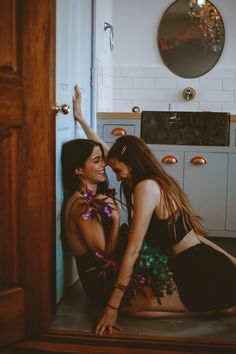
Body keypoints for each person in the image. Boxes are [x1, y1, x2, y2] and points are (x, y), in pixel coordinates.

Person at [72, 84, 236, 333]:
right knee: (137, 306)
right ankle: (221, 304)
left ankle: (218, 306)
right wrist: (81, 117)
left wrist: (112, 305)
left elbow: (134, 249)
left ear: (132, 163)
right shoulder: (150, 180)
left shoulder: (146, 187)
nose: (115, 177)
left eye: (118, 170)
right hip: (197, 263)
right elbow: (196, 237)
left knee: (129, 307)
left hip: (199, 270)